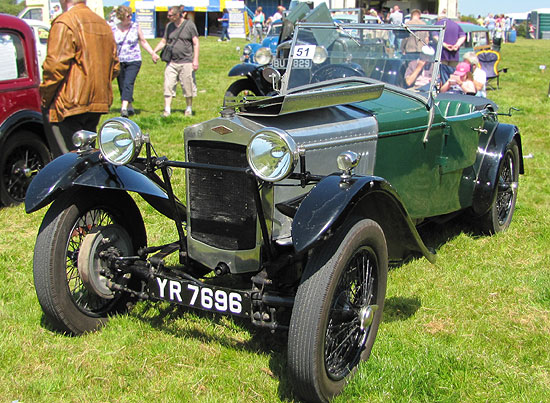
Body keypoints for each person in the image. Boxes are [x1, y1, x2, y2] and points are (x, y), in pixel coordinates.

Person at [40, 0, 119, 156]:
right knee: (87, 156)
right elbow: (115, 66)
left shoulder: (65, 22)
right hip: (97, 101)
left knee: (67, 159)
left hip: (68, 103)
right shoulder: (103, 24)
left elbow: (55, 66)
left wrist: (44, 97)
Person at [152, 6, 199, 117]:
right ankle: (167, 110)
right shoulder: (169, 26)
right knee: (168, 85)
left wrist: (195, 59)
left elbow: (196, 42)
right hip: (172, 62)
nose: (168, 17)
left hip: (186, 61)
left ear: (178, 15)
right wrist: (154, 51)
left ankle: (188, 108)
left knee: (188, 86)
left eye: (170, 15)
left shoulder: (189, 25)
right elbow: (164, 41)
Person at [112, 5, 157, 117]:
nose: (130, 17)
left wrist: (152, 53)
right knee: (122, 85)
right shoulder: (113, 28)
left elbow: (143, 41)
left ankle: (123, 108)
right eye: (128, 15)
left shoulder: (135, 27)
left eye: (131, 15)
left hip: (134, 60)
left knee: (128, 82)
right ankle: (130, 106)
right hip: (119, 60)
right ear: (121, 17)